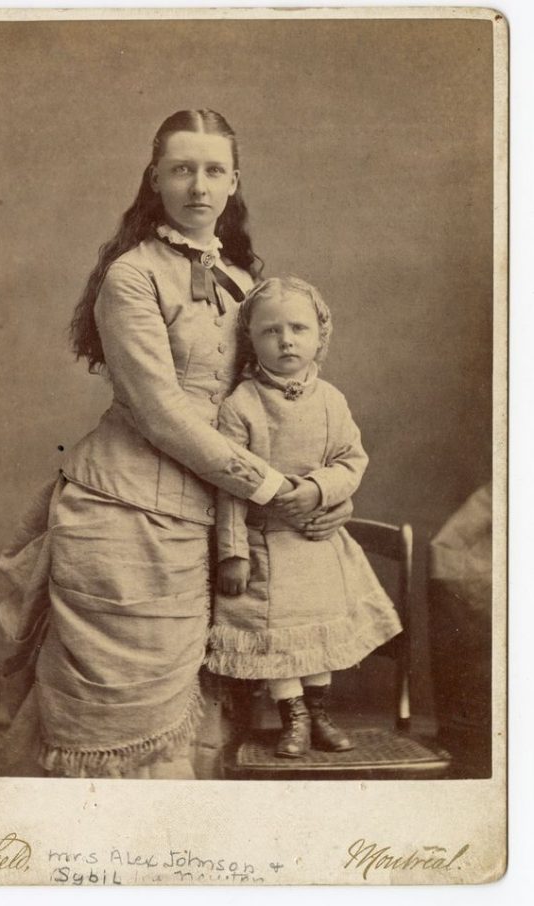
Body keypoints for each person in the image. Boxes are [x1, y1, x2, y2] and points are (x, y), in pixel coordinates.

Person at [0, 110, 352, 780]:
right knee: (114, 725)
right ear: (155, 178)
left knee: (208, 712)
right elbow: (160, 412)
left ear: (233, 182)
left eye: (214, 170)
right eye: (182, 168)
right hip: (126, 516)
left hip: (223, 516)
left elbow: (286, 405)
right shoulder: (131, 277)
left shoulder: (245, 285)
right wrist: (278, 492)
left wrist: (322, 492)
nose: (198, 185)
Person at [205, 276, 403, 758]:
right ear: (250, 339)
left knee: (317, 632)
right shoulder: (241, 405)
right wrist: (233, 553)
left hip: (317, 542)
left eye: (298, 328)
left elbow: (351, 461)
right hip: (266, 546)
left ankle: (319, 714)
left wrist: (319, 490)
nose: (287, 340)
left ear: (320, 335)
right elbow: (229, 487)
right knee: (276, 637)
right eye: (271, 331)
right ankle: (291, 718)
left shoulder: (332, 400)